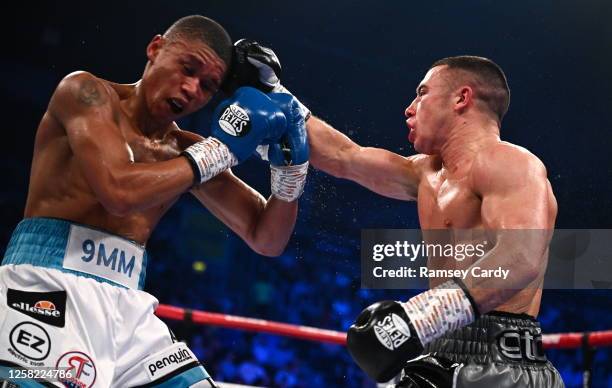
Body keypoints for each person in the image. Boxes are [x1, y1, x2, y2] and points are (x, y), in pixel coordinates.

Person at [0, 15, 309, 387]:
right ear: (155, 48)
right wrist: (220, 150)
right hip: (45, 288)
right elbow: (118, 191)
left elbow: (267, 238)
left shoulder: (184, 150)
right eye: (187, 68)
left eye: (209, 86)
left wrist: (291, 172)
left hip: (129, 307)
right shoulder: (85, 92)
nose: (192, 88)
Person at [238, 48, 563, 387]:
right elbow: (343, 156)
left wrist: (423, 318)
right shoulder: (424, 174)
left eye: (422, 93)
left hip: (502, 364)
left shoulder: (509, 162)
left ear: (461, 98)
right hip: (440, 348)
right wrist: (272, 92)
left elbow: (521, 257)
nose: (409, 108)